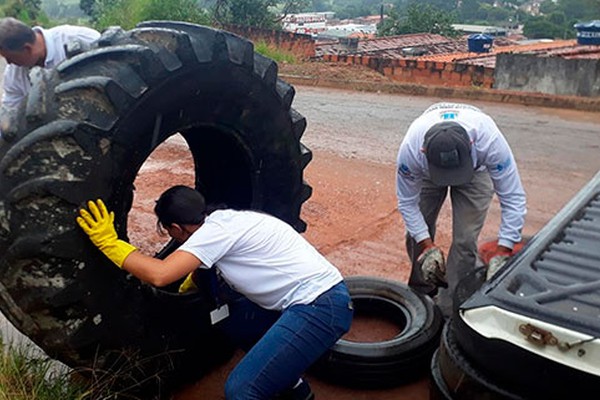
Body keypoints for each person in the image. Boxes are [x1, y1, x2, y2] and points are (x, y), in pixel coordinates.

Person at [76, 185, 353, 400]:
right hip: (317, 299)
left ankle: (278, 379)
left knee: (241, 390)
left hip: (319, 307)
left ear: (175, 228)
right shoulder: (224, 220)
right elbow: (206, 267)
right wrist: (192, 283)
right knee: (234, 322)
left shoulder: (212, 235)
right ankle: (294, 387)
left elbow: (159, 275)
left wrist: (110, 243)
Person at [395, 102, 526, 315]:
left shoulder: (489, 142)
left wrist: (504, 250)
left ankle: (452, 304)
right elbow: (407, 202)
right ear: (423, 150)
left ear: (472, 143)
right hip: (428, 173)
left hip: (475, 172)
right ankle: (423, 292)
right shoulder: (411, 151)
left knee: (465, 240)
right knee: (416, 234)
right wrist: (426, 246)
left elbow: (513, 197)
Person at [0, 17, 100, 110]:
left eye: (10, 57)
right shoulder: (13, 73)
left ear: (27, 49)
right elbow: (11, 108)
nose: (9, 63)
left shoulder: (84, 39)